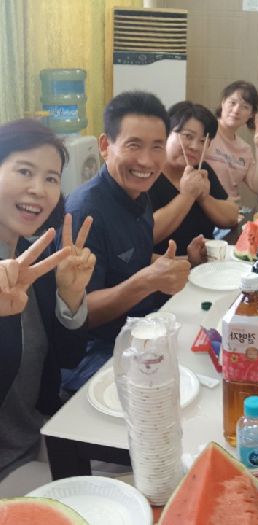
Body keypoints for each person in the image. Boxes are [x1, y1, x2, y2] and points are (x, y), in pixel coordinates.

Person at [61, 91, 191, 393]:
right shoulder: (85, 212)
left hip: (144, 329)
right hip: (95, 352)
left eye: (157, 146)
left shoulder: (138, 192)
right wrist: (146, 282)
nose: (146, 160)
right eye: (134, 145)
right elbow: (81, 314)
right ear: (105, 146)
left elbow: (128, 258)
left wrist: (179, 263)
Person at [0, 119, 96, 480]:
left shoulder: (34, 255)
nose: (39, 189)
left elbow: (66, 359)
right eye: (24, 171)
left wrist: (70, 297)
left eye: (51, 178)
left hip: (39, 433)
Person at [149, 101, 238, 260]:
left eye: (203, 141)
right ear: (166, 133)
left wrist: (204, 197)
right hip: (165, 268)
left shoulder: (201, 170)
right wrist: (187, 195)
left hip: (206, 265)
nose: (195, 146)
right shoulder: (147, 174)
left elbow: (231, 217)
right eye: (188, 136)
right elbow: (145, 234)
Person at [205, 80, 258, 200]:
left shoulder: (244, 149)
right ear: (223, 102)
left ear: (251, 114)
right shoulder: (205, 133)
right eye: (232, 103)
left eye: (245, 107)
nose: (236, 110)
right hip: (203, 204)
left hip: (231, 208)